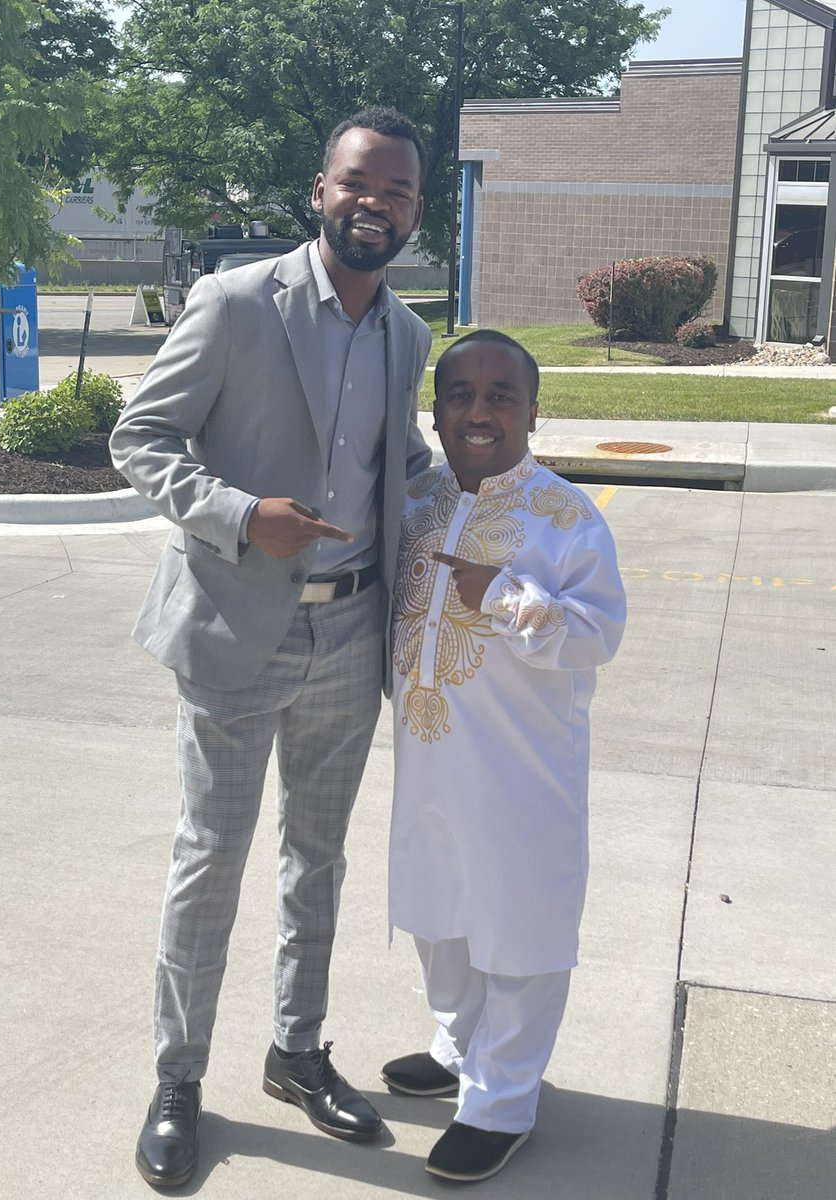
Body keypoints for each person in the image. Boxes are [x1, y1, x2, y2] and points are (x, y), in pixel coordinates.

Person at [109, 106, 431, 1189]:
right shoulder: (238, 301)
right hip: (237, 629)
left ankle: (296, 1051)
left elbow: (409, 463)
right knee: (211, 863)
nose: (374, 204)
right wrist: (244, 514)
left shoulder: (408, 333)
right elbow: (140, 436)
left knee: (319, 859)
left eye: (395, 192)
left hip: (350, 630)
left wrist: (510, 501)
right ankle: (178, 1076)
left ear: (414, 214)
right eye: (358, 183)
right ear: (319, 190)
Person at [381, 331, 626, 1183]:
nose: (479, 412)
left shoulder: (565, 514)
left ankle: (502, 1101)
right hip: (431, 762)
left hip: (522, 772)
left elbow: (599, 633)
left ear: (531, 410)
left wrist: (506, 597)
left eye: (500, 396)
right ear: (437, 408)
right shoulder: (415, 502)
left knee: (519, 929)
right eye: (460, 394)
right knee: (440, 911)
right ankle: (456, 1049)